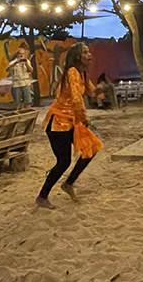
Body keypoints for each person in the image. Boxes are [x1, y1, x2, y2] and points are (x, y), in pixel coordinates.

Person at [36, 42, 103, 209]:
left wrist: (104, 88)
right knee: (63, 161)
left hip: (70, 122)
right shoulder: (72, 72)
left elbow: (91, 91)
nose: (90, 55)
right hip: (58, 122)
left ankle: (68, 184)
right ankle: (42, 196)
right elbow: (76, 99)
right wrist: (83, 117)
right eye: (86, 52)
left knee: (91, 149)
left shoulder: (81, 73)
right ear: (77, 56)